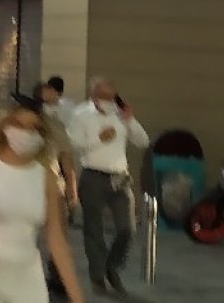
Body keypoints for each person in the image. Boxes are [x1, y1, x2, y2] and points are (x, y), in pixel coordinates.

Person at [0, 94, 85, 303]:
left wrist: (77, 296)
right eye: (19, 125)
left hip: (28, 277)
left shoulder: (46, 177)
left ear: (42, 135)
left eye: (34, 128)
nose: (26, 133)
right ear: (5, 127)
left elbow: (56, 240)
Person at [67, 76, 149, 296]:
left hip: (120, 177)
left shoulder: (120, 114)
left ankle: (111, 266)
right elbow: (74, 144)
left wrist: (130, 120)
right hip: (93, 175)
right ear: (93, 95)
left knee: (127, 228)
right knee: (94, 229)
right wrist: (99, 139)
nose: (108, 100)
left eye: (112, 97)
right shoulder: (81, 114)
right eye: (103, 96)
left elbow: (143, 141)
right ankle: (97, 276)